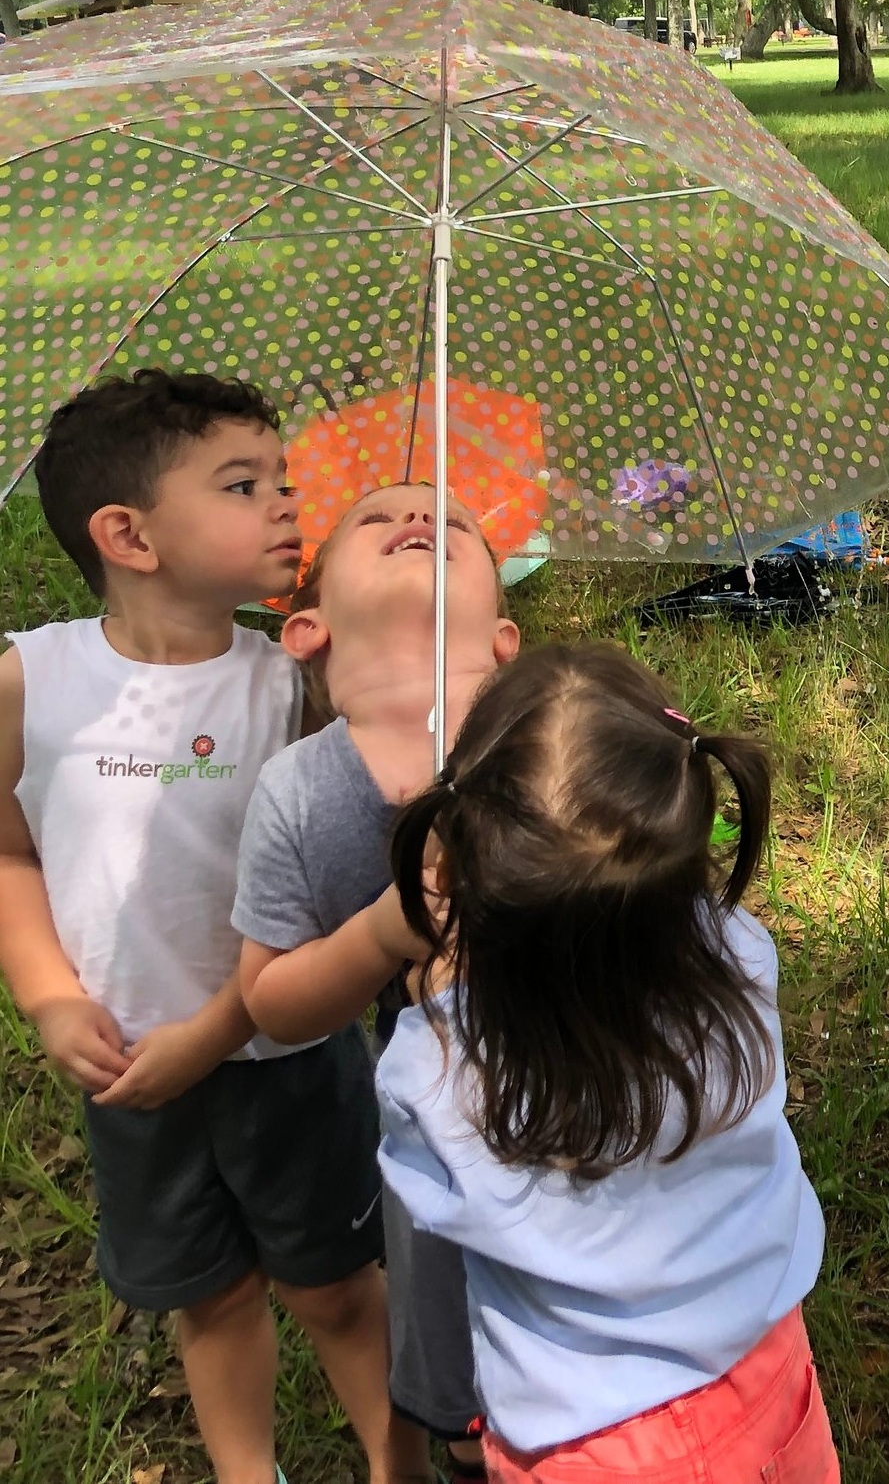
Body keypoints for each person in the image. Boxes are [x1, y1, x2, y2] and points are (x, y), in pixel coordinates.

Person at [0, 370, 405, 1484]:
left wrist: (218, 1029)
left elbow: (328, 904)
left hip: (289, 1051)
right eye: (243, 484)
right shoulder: (30, 681)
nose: (287, 503)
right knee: (210, 1292)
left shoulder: (294, 687)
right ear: (127, 534)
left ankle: (395, 1459)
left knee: (334, 1282)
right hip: (133, 1069)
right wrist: (47, 994)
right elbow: (9, 851)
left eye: (283, 479)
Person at [356, 644, 837, 1482]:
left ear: (465, 875)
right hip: (765, 1369)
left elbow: (427, 1200)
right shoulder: (743, 960)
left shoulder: (434, 1064)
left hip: (592, 1443)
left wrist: (445, 990)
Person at [236, 482, 521, 1483]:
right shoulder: (304, 794)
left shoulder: (551, 744)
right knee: (454, 1339)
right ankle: (466, 1447)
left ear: (504, 641)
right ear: (306, 630)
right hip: (437, 1137)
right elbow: (271, 1000)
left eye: (458, 523)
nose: (424, 514)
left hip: (585, 1089)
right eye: (375, 520)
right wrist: (380, 933)